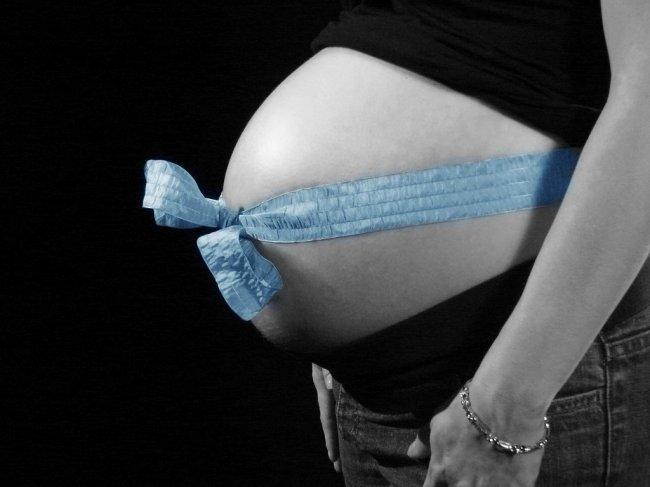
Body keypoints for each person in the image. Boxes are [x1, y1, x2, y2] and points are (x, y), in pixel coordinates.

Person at [143, 1, 650, 485]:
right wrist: (338, 324)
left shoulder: (507, 404)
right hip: (376, 388)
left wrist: (508, 407)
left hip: (517, 380)